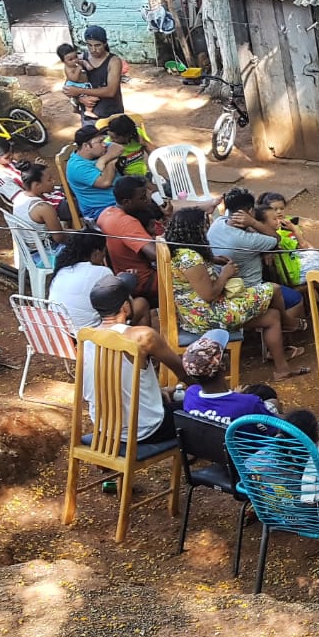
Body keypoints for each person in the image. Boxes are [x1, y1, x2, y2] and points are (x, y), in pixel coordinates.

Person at [164, 208, 309, 381]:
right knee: (274, 289)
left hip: (197, 314)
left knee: (272, 317)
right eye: (204, 226)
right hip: (207, 315)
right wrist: (225, 274)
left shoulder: (179, 250)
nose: (206, 230)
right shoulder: (190, 259)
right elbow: (209, 294)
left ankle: (282, 370)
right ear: (194, 230)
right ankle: (288, 323)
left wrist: (213, 260)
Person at [180, 329, 319, 450]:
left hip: (231, 456)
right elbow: (282, 428)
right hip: (271, 457)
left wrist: (236, 397)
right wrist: (306, 423)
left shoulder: (191, 395)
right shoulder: (247, 403)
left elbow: (222, 409)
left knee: (272, 401)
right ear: (223, 367)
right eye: (223, 353)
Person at [79, 276, 185, 443]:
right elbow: (184, 373)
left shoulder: (87, 339)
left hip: (106, 430)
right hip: (147, 431)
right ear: (125, 307)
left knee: (170, 401)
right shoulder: (142, 336)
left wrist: (158, 392)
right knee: (198, 409)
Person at [207, 188, 305, 328]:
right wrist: (253, 223)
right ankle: (287, 326)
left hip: (224, 286)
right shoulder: (246, 240)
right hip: (248, 288)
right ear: (250, 211)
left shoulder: (218, 224)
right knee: (296, 299)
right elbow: (276, 238)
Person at [49, 230, 150, 330]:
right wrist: (128, 282)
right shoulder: (101, 271)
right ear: (96, 253)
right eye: (104, 252)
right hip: (90, 333)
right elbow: (125, 309)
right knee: (141, 303)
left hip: (62, 332)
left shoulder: (62, 270)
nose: (104, 257)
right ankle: (139, 338)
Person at [98, 176, 162, 302]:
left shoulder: (106, 213)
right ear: (127, 202)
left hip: (123, 277)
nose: (147, 200)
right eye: (142, 198)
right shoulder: (127, 223)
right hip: (144, 282)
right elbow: (156, 254)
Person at [66, 124, 124, 220]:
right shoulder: (77, 167)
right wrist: (111, 162)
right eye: (100, 142)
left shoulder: (99, 152)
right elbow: (105, 182)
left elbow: (118, 148)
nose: (104, 144)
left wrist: (103, 160)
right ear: (86, 146)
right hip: (101, 211)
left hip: (120, 201)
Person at [10, 163, 68, 250]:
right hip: (48, 251)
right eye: (49, 180)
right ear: (37, 185)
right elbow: (59, 238)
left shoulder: (19, 198)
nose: (53, 181)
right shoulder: (44, 208)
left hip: (29, 250)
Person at [79, 25, 125, 118]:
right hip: (88, 114)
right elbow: (69, 86)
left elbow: (111, 91)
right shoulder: (81, 59)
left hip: (111, 113)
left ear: (105, 43)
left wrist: (78, 91)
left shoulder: (114, 61)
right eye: (89, 45)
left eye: (97, 45)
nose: (93, 50)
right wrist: (80, 98)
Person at [58, 43, 98, 118]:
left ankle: (76, 109)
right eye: (70, 59)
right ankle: (88, 111)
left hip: (82, 84)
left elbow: (83, 61)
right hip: (75, 85)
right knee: (90, 96)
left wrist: (87, 65)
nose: (75, 60)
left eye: (76, 57)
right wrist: (78, 70)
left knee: (77, 99)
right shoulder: (68, 68)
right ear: (63, 61)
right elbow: (74, 78)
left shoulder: (76, 62)